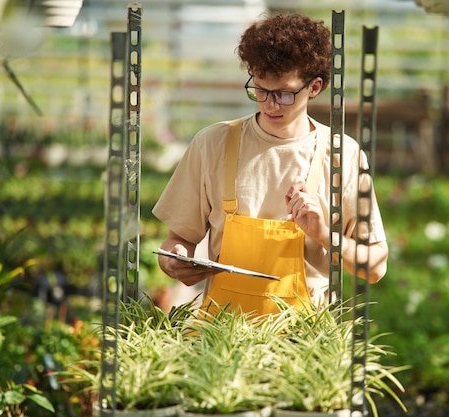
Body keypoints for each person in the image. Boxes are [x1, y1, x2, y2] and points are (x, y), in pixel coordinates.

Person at [153, 12, 388, 316]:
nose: (269, 104)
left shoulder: (344, 156)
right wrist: (174, 260)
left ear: (314, 87)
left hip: (303, 341)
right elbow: (178, 240)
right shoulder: (212, 144)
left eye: (284, 94)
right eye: (261, 90)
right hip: (222, 338)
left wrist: (324, 235)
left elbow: (375, 267)